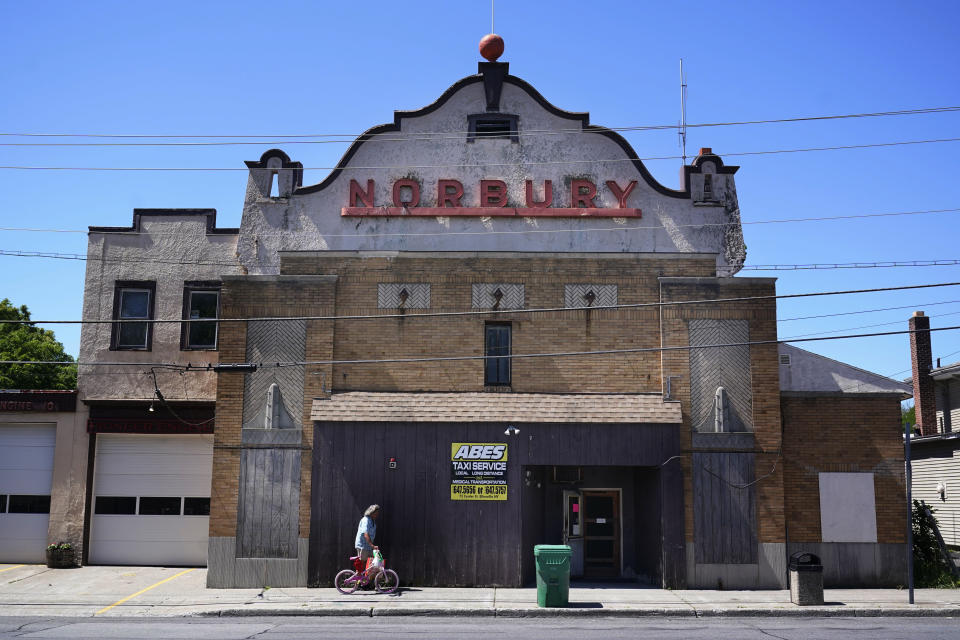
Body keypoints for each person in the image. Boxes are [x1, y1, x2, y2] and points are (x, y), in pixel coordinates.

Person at [355, 504, 380, 571]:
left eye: (378, 513)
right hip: (362, 545)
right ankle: (358, 579)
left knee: (373, 560)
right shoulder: (366, 520)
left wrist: (371, 546)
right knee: (362, 562)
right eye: (376, 513)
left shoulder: (372, 521)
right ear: (371, 512)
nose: (377, 514)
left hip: (368, 546)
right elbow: (366, 534)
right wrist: (372, 545)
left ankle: (366, 579)